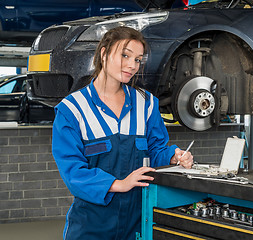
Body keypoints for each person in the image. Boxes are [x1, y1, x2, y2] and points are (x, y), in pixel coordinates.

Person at [52, 26, 193, 240]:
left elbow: (154, 151)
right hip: (91, 226)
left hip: (137, 222)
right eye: (125, 55)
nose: (132, 65)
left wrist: (173, 156)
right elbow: (73, 172)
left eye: (137, 59)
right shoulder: (72, 110)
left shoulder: (145, 104)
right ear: (104, 53)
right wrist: (119, 184)